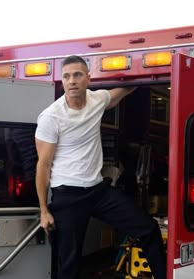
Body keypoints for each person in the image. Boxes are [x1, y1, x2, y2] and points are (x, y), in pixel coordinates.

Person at [35, 55, 167, 279]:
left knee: (148, 228)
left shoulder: (97, 99)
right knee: (68, 265)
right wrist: (44, 211)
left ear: (88, 78)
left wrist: (147, 74)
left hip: (98, 191)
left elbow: (120, 93)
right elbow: (43, 166)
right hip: (68, 196)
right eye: (66, 77)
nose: (72, 81)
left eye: (77, 75)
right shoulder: (51, 117)